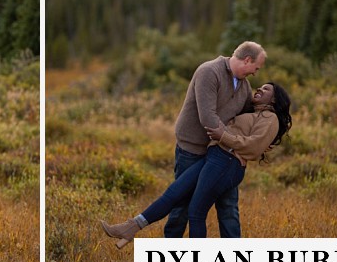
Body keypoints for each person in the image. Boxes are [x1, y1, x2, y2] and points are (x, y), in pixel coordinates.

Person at [101, 82, 292, 246]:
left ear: (274, 100)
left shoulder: (270, 118)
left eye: (266, 89)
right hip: (214, 156)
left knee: (196, 211)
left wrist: (223, 136)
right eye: (260, 87)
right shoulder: (252, 112)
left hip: (227, 162)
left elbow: (254, 146)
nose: (259, 89)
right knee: (173, 194)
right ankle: (131, 227)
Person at [165, 41, 266, 238]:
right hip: (192, 150)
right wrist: (229, 141)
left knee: (228, 208)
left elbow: (247, 119)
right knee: (182, 205)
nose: (255, 73)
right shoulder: (209, 72)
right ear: (247, 60)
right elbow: (208, 118)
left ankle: (233, 261)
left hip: (221, 154)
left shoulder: (245, 87)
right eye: (256, 68)